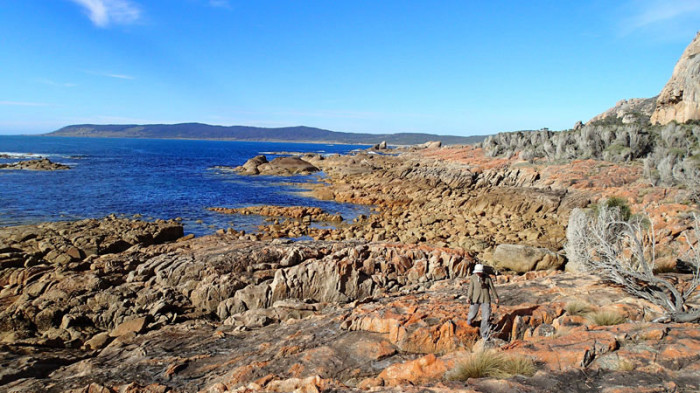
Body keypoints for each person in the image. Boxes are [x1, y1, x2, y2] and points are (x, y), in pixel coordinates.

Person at [466, 263, 499, 340]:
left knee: (486, 317)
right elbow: (471, 288)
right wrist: (468, 297)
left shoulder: (487, 278)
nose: (479, 273)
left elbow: (492, 288)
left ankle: (484, 334)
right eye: (477, 272)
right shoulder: (473, 278)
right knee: (472, 313)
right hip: (475, 299)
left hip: (486, 299)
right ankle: (469, 320)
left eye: (480, 272)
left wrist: (496, 297)